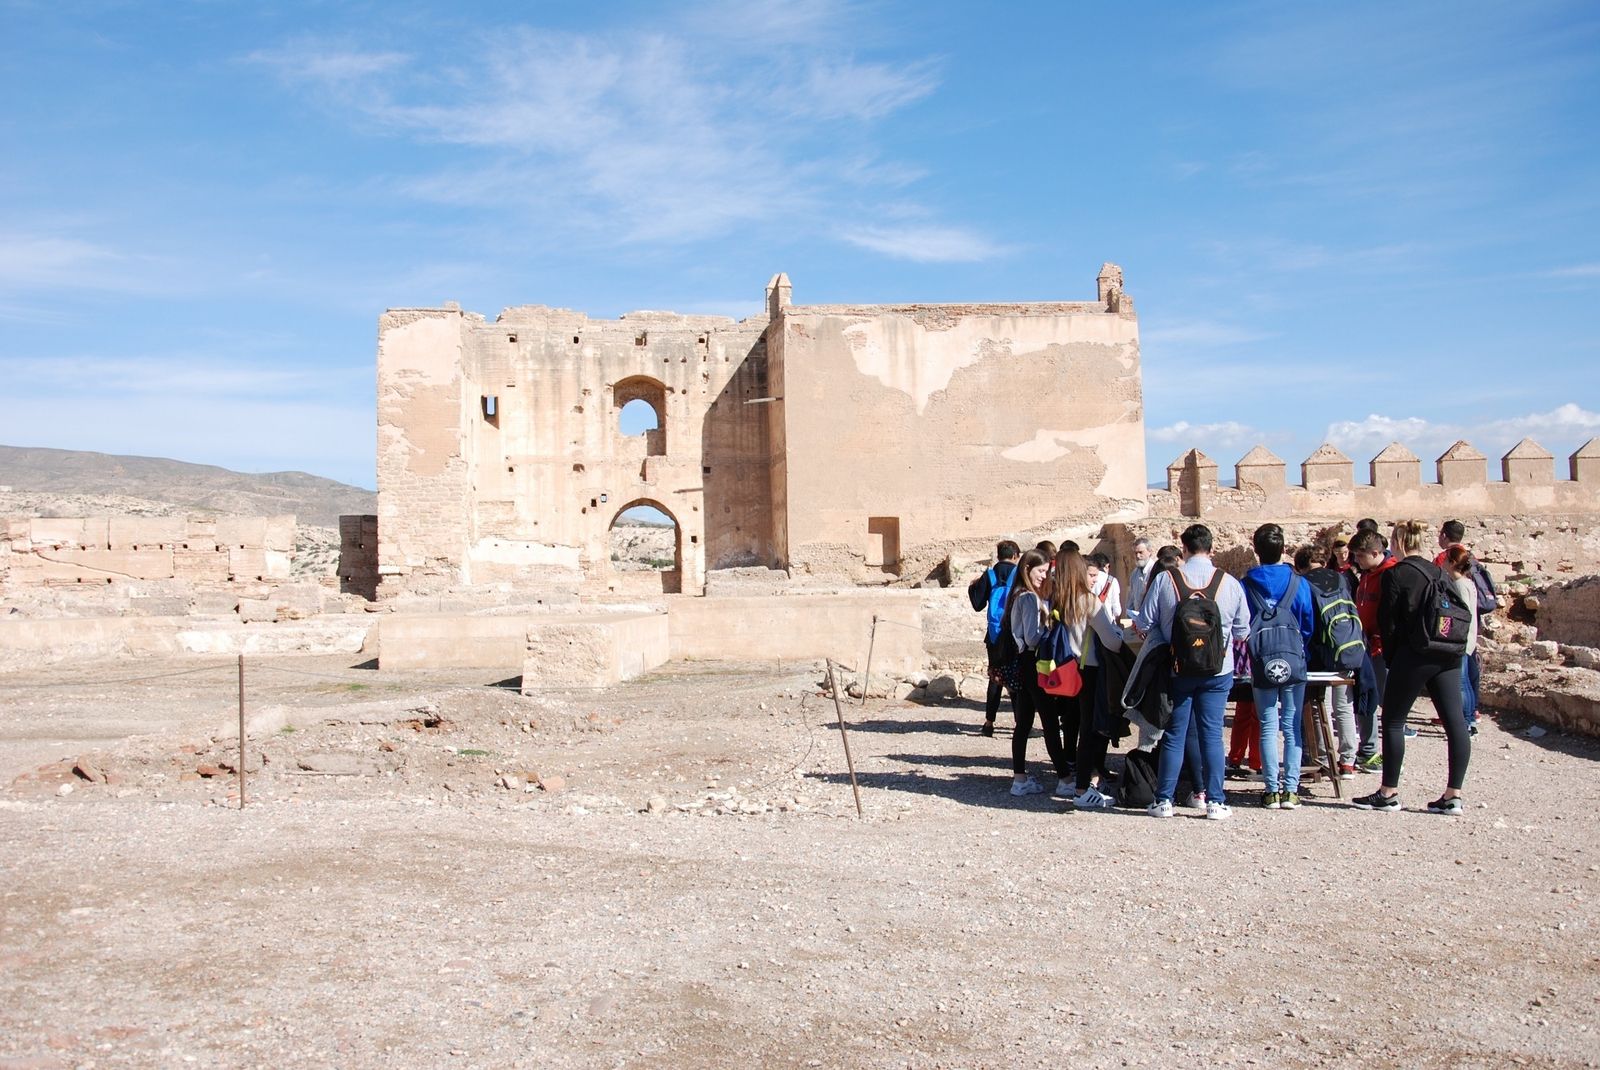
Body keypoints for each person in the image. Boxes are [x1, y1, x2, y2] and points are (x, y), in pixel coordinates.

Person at [1352, 521, 1472, 815]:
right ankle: (1453, 795)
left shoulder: (1397, 574)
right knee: (1455, 723)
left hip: (1414, 653)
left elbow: (1388, 622)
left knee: (1392, 720)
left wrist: (1393, 658)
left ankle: (1388, 792)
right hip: (1448, 653)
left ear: (1398, 542)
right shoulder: (1438, 571)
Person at [1142, 524, 1252, 820]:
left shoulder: (1167, 580)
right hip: (1218, 670)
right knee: (1212, 735)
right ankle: (1215, 801)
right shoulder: (1228, 582)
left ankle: (1164, 799)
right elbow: (1243, 630)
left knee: (1175, 733)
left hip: (1177, 667)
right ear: (1211, 549)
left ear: (1184, 547)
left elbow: (1144, 623)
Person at [1243, 524, 1316, 810]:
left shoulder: (1246, 584)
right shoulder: (1299, 583)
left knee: (1267, 725)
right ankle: (1291, 789)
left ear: (1256, 552)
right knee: (1292, 726)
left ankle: (1271, 789)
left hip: (1262, 661)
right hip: (1294, 659)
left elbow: (1242, 622)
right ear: (1283, 550)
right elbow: (1308, 622)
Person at [1052, 548, 1126, 809]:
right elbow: (1112, 642)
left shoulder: (1062, 599)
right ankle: (1084, 788)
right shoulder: (1089, 601)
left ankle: (1086, 782)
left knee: (1082, 727)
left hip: (1071, 669)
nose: (1096, 578)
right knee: (1091, 730)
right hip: (1091, 670)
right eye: (1091, 574)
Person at [1003, 550, 1073, 797]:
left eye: (1046, 571)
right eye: (1040, 571)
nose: (1044, 576)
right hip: (1034, 663)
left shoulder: (1017, 595)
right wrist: (1052, 628)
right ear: (1027, 569)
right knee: (1050, 722)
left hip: (1023, 663)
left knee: (1023, 723)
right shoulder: (1030, 599)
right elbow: (1032, 637)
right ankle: (1065, 778)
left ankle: (1019, 778)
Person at [1350, 529, 1398, 771]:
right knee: (1366, 699)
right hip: (1365, 646)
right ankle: (1368, 750)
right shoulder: (1367, 575)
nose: (1357, 561)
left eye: (1360, 556)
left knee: (1389, 703)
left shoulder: (1391, 574)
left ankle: (1390, 755)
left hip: (1382, 649)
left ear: (1375, 553)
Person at [968, 540, 1021, 737]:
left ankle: (989, 722)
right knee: (1016, 676)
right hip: (1015, 634)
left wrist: (972, 587)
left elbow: (977, 604)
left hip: (994, 635)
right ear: (1015, 555)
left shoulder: (989, 575)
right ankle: (1020, 724)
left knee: (995, 677)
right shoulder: (1019, 575)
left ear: (998, 555)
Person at [1442, 545, 1482, 736]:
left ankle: (1466, 721)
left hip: (1461, 639)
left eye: (1444, 559)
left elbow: (1461, 614)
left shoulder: (1459, 585)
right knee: (1464, 681)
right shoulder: (1467, 583)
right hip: (1467, 638)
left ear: (1452, 563)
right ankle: (1470, 718)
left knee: (1461, 683)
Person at [1124, 538, 1157, 627]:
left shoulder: (1154, 571)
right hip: (1137, 622)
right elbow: (1131, 599)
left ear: (1150, 551)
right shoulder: (1135, 573)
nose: (1138, 556)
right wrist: (1129, 622)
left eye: (1141, 552)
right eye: (1136, 553)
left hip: (1151, 622)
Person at [1086, 552, 1122, 619]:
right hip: (1107, 623)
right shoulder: (1112, 581)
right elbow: (1117, 611)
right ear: (1106, 566)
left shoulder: (1086, 577)